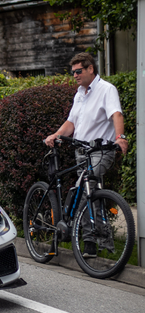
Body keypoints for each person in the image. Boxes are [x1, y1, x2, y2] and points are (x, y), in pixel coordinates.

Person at [45, 52, 128, 257]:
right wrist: (56, 134)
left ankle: (89, 240)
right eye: (72, 72)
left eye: (78, 71)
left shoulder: (106, 89)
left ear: (91, 69)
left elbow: (116, 113)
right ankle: (95, 241)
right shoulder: (80, 93)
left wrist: (120, 137)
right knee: (90, 193)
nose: (75, 75)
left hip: (100, 152)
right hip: (80, 151)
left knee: (85, 191)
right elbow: (71, 122)